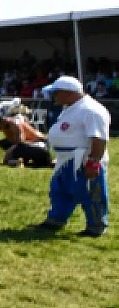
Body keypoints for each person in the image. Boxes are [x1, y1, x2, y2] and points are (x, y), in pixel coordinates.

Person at [36, 74, 109, 237]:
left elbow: (98, 138)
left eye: (56, 93)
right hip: (66, 160)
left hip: (83, 159)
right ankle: (56, 219)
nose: (54, 97)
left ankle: (96, 226)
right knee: (60, 190)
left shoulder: (91, 110)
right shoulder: (70, 108)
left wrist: (93, 162)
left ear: (68, 93)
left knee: (90, 193)